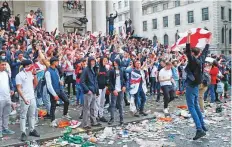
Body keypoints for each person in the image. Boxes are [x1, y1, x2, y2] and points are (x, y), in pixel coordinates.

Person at [185, 31, 209, 140]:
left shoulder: (193, 60)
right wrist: (207, 43)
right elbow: (205, 52)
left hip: (191, 85)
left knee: (192, 107)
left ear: (193, 54)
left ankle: (199, 129)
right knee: (195, 106)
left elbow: (188, 50)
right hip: (196, 85)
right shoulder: (201, 59)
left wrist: (188, 36)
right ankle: (203, 125)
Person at [16, 60, 40, 141]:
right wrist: (24, 98)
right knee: (23, 116)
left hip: (32, 97)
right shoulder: (19, 75)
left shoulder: (31, 73)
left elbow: (36, 83)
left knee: (32, 115)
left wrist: (35, 74)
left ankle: (32, 130)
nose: (32, 67)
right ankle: (23, 132)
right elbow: (19, 88)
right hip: (24, 98)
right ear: (26, 66)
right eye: (30, 65)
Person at [45, 57, 70, 126]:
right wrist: (54, 94)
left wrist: (60, 81)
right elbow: (49, 85)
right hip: (53, 91)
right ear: (53, 62)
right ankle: (52, 120)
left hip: (59, 89)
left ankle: (65, 114)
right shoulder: (48, 72)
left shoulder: (55, 69)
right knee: (53, 106)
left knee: (66, 101)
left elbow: (58, 77)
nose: (58, 63)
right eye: (57, 61)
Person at [80, 56, 101, 129]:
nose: (93, 63)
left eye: (94, 61)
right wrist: (87, 90)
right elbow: (82, 81)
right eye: (91, 61)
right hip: (88, 92)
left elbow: (95, 81)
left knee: (92, 107)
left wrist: (97, 91)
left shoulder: (94, 70)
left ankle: (93, 122)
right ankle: (85, 124)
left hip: (93, 91)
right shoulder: (86, 70)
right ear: (89, 62)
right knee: (86, 108)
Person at [108, 59, 126, 125]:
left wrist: (124, 86)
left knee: (120, 104)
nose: (115, 64)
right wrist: (113, 90)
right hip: (114, 90)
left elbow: (125, 79)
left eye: (116, 63)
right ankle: (112, 118)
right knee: (113, 105)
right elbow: (109, 81)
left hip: (121, 90)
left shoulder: (122, 70)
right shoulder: (112, 71)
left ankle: (121, 119)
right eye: (114, 63)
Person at [0, 57, 15, 138]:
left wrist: (12, 89)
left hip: (7, 97)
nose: (4, 66)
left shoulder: (6, 73)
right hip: (0, 98)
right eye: (2, 65)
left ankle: (5, 128)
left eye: (5, 65)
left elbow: (10, 82)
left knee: (6, 114)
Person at [96, 57, 108, 122]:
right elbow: (95, 78)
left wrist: (106, 85)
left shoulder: (105, 69)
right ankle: (96, 116)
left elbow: (106, 77)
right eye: (104, 60)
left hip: (104, 87)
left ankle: (101, 115)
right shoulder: (98, 68)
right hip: (98, 88)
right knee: (97, 102)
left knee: (102, 102)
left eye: (106, 60)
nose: (105, 62)